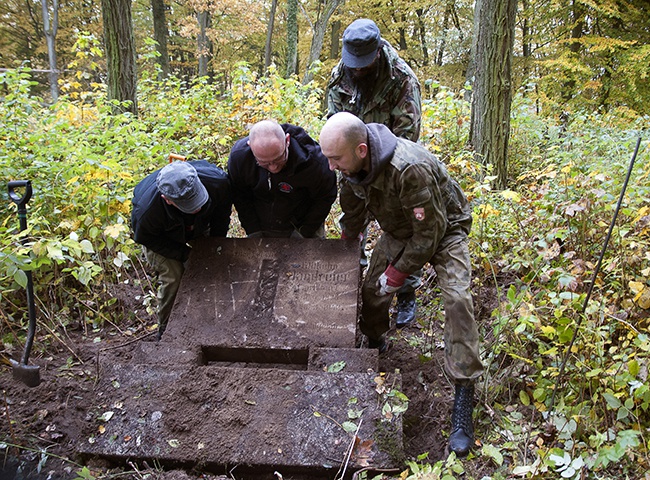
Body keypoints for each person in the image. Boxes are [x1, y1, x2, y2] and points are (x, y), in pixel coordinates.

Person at [319, 112, 483, 457]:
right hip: (398, 230)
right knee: (371, 292)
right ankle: (375, 342)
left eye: (336, 159)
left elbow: (429, 234)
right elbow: (353, 213)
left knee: (457, 300)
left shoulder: (408, 168)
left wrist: (398, 274)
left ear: (361, 149)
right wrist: (349, 245)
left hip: (444, 230)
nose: (332, 166)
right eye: (328, 159)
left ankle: (464, 391)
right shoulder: (348, 168)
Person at [327, 18, 422, 326]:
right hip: (352, 168)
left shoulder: (402, 80)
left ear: (378, 52)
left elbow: (407, 138)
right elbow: (335, 123)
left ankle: (405, 290)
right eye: (353, 64)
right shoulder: (339, 76)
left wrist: (379, 173)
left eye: (363, 66)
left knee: (400, 227)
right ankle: (350, 279)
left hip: (390, 167)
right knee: (351, 222)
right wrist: (349, 165)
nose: (356, 71)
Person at [131, 160, 232, 339]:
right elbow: (146, 238)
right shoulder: (146, 211)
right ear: (167, 200)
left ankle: (217, 319)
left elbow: (222, 215)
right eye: (189, 204)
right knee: (174, 277)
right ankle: (167, 330)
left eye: (197, 198)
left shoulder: (218, 182)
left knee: (216, 264)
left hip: (199, 225)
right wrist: (186, 254)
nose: (197, 207)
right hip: (163, 239)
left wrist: (216, 245)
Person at [227, 120, 337, 238]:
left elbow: (324, 198)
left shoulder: (314, 162)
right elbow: (240, 196)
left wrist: (304, 231)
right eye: (264, 162)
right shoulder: (240, 158)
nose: (273, 167)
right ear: (250, 147)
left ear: (287, 141)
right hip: (261, 221)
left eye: (279, 158)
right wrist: (253, 229)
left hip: (304, 220)